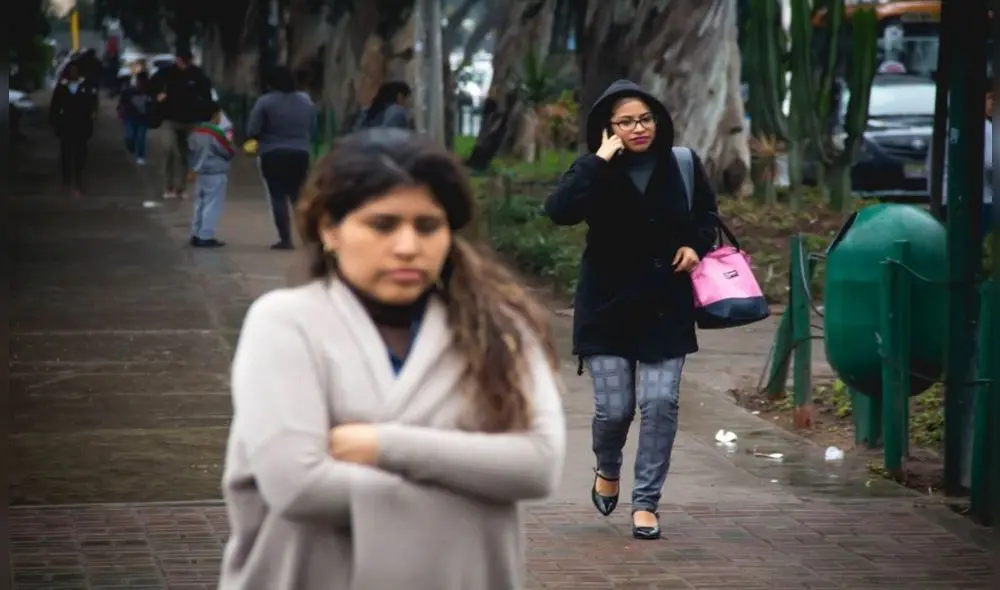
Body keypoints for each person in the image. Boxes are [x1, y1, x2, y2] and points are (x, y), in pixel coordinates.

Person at [219, 128, 566, 590]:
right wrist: (477, 483)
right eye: (382, 225)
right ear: (329, 229)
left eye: (428, 226)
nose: (408, 247)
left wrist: (382, 445)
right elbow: (297, 485)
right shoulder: (287, 323)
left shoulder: (499, 328)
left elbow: (538, 465)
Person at [544, 80, 719, 540]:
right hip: (607, 307)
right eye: (626, 122)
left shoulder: (682, 163)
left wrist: (694, 245)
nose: (639, 128)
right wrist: (598, 160)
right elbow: (559, 211)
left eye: (645, 119)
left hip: (666, 305)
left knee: (660, 404)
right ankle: (607, 466)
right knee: (614, 410)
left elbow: (707, 217)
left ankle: (646, 502)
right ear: (608, 128)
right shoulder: (594, 169)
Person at [245, 66, 317, 250]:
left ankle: (286, 239)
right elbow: (313, 127)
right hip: (300, 153)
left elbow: (253, 129)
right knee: (298, 197)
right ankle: (307, 237)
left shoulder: (265, 102)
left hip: (272, 153)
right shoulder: (306, 101)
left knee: (278, 196)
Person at [928, 83, 995, 239]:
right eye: (991, 98)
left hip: (946, 197)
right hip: (980, 199)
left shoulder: (948, 125)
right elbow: (991, 163)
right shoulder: (983, 127)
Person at [148, 48, 215, 200]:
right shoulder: (166, 73)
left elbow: (207, 94)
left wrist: (206, 112)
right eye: (182, 61)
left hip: (189, 120)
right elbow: (150, 86)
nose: (184, 65)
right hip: (169, 118)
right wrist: (157, 96)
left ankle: (181, 187)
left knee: (184, 154)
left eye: (187, 62)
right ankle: (168, 185)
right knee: (169, 150)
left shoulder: (197, 75)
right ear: (177, 60)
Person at [187, 103, 235, 248]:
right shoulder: (216, 133)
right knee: (212, 204)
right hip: (216, 171)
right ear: (214, 115)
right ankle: (206, 235)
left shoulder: (195, 131)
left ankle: (196, 233)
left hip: (201, 172)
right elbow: (227, 150)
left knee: (199, 203)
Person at [49, 63, 99, 198]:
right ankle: (66, 179)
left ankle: (78, 178)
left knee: (80, 153)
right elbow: (54, 105)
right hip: (66, 125)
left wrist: (93, 113)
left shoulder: (86, 86)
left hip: (82, 124)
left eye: (76, 70)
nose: (73, 73)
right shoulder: (62, 87)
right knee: (66, 152)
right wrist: (54, 121)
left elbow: (93, 102)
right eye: (71, 71)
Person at [118, 71, 153, 164]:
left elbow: (153, 105)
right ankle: (132, 147)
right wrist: (121, 113)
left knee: (141, 137)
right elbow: (122, 103)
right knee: (130, 136)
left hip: (143, 118)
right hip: (130, 117)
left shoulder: (150, 92)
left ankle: (141, 155)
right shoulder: (129, 91)